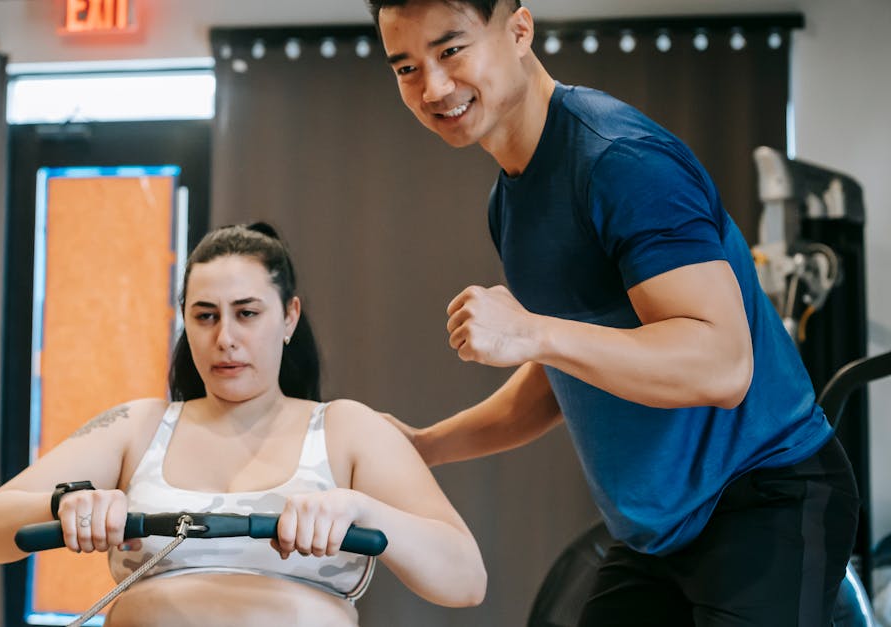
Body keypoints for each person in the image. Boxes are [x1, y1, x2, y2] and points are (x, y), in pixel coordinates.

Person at [366, 1, 859, 625]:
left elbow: (723, 365)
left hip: (766, 496)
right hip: (662, 533)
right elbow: (563, 370)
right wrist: (424, 446)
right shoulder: (512, 199)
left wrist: (533, 330)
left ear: (519, 30)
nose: (433, 87)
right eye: (407, 67)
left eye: (451, 50)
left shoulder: (619, 161)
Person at [0, 223, 486, 626]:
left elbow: (465, 579)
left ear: (289, 317)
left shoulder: (348, 429)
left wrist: (363, 509)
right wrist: (65, 503)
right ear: (185, 319)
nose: (226, 338)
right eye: (206, 315)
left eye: (247, 313)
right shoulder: (138, 426)